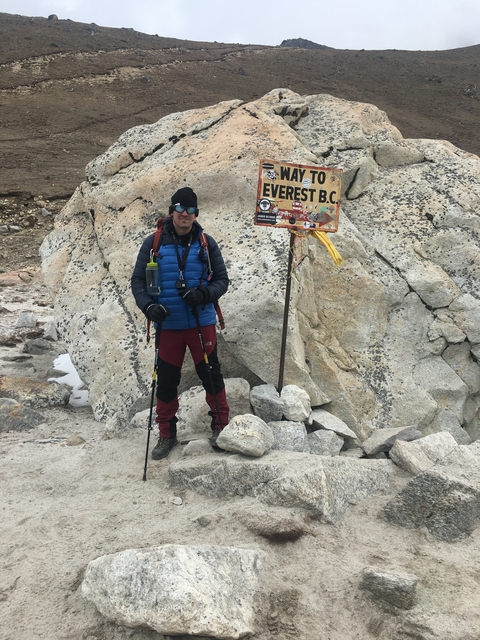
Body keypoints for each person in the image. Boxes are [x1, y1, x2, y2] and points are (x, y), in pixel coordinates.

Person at [131, 187, 229, 459]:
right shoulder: (153, 243)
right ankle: (166, 435)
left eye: (190, 210)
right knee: (165, 382)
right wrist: (149, 307)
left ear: (196, 214)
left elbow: (222, 280)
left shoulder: (207, 243)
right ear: (171, 211)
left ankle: (221, 428)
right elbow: (138, 282)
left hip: (201, 322)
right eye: (180, 208)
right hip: (169, 325)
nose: (184, 214)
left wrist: (203, 294)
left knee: (211, 376)